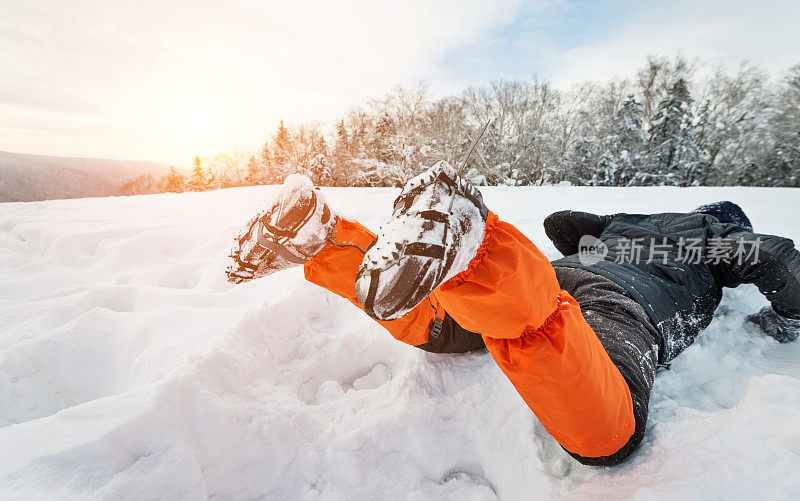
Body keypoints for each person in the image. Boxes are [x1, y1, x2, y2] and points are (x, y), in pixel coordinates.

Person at [225, 162, 800, 466]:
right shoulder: (707, 233)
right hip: (618, 303)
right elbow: (773, 259)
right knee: (608, 431)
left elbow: (561, 224)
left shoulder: (629, 219)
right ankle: (479, 254)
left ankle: (320, 238)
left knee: (441, 322)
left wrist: (615, 229)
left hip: (553, 276)